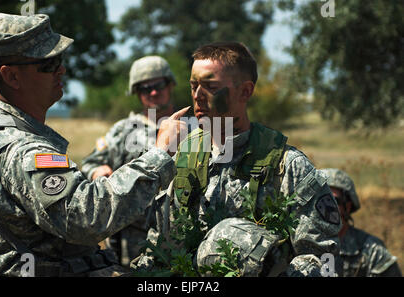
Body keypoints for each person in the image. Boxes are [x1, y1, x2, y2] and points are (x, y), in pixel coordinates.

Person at [0, 12, 188, 277]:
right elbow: (86, 218)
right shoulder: (23, 150)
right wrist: (159, 155)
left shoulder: (4, 131)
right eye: (48, 64)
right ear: (12, 77)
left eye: (59, 60)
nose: (61, 69)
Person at [135, 42, 342, 277]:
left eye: (210, 86)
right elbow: (158, 251)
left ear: (245, 91)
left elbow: (324, 259)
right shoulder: (179, 158)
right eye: (194, 86)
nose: (197, 96)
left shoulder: (287, 166)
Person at [81, 56, 177, 266]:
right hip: (133, 243)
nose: (153, 92)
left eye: (159, 85)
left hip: (181, 238)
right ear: (136, 93)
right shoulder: (124, 131)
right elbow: (89, 163)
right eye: (145, 88)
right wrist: (99, 171)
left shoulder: (191, 127)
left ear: (170, 85)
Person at [320, 168, 402, 277]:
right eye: (320, 200)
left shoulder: (372, 251)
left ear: (347, 206)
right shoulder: (297, 245)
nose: (326, 207)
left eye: (334, 201)